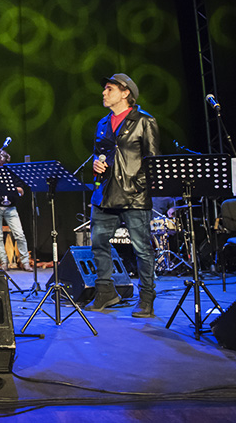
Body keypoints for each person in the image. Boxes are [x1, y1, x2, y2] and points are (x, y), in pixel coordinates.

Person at [87, 73, 160, 318]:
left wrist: (139, 186)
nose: (104, 93)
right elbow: (101, 155)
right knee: (98, 242)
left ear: (125, 92)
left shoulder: (144, 121)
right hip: (105, 193)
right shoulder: (102, 123)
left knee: (141, 248)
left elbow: (152, 161)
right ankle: (105, 291)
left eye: (109, 89)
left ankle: (147, 297)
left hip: (134, 194)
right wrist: (97, 164)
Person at [0, 149, 33, 272]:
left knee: (19, 234)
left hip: (11, 207)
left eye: (2, 163)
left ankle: (25, 262)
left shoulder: (13, 172)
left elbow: (22, 191)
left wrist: (10, 187)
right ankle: (4, 261)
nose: (0, 165)